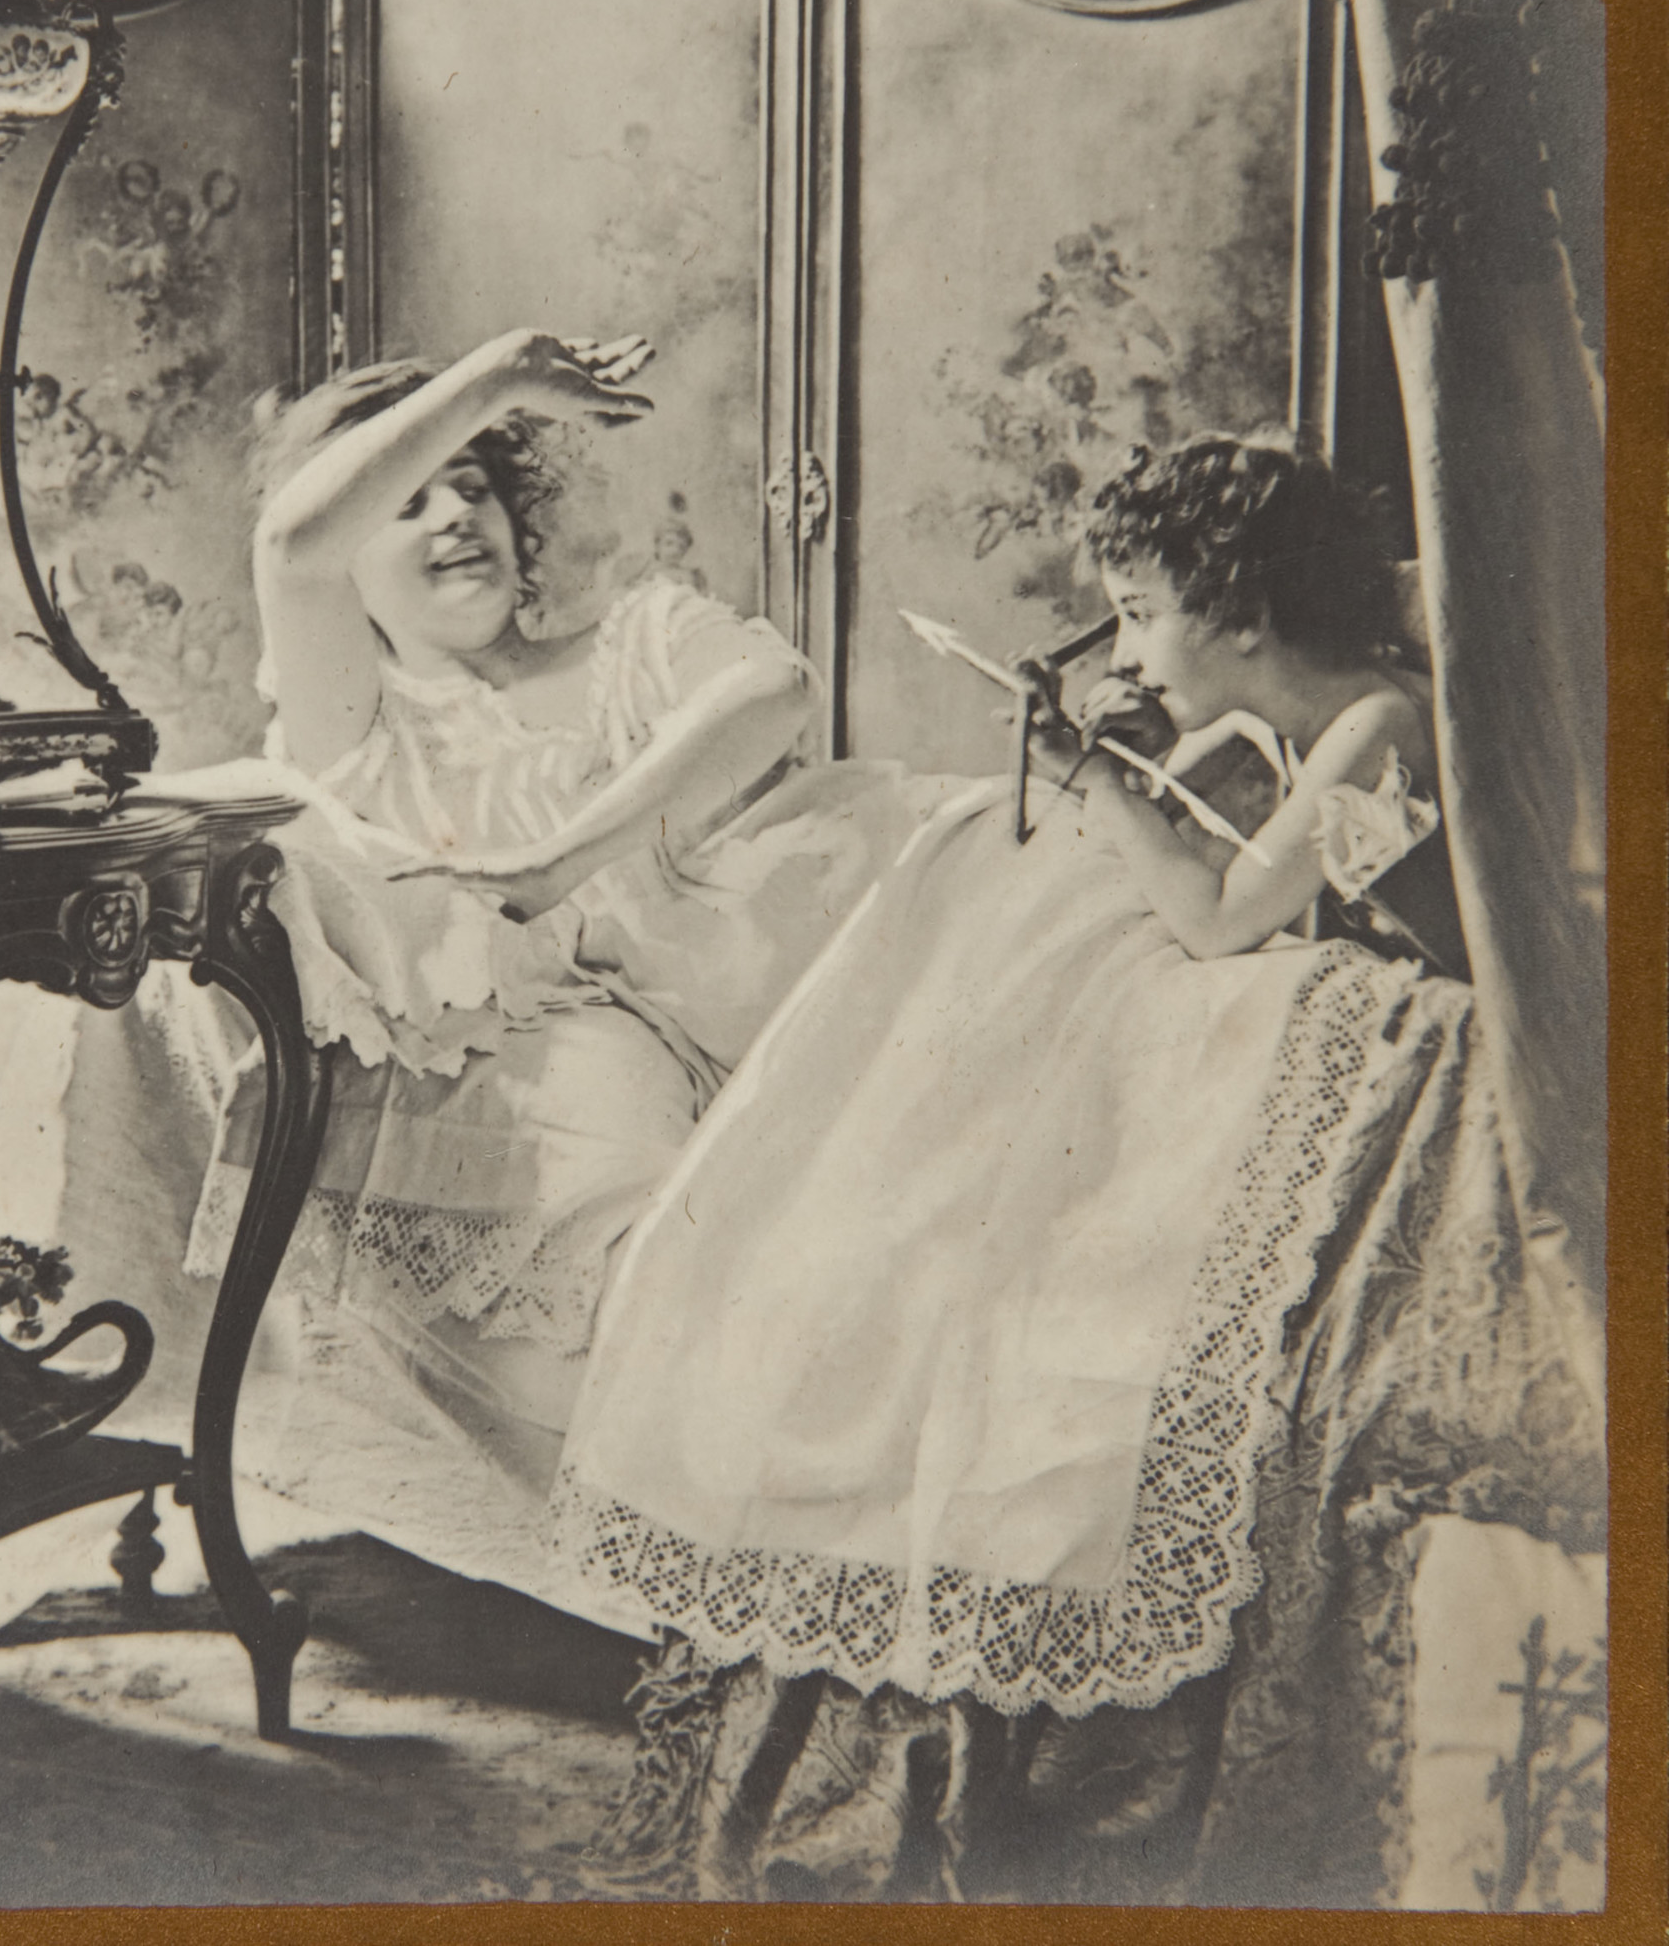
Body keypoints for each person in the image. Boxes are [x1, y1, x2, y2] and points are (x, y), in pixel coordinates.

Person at [546, 438, 1589, 1903]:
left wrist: (1100, 774)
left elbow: (1222, 917)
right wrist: (1118, 769)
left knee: (1125, 1058)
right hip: (1366, 998)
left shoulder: (1375, 721)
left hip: (1460, 1042)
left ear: (1242, 614)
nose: (1129, 649)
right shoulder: (1292, 719)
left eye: (1143, 613)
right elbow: (1197, 861)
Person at [179, 330, 937, 1511]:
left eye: (474, 485)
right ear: (351, 571)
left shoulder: (635, 637)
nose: (452, 515)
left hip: (753, 989)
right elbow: (290, 543)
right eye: (407, 500)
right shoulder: (359, 714)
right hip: (547, 1038)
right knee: (674, 1258)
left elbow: (772, 691)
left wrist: (558, 859)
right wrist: (498, 376)